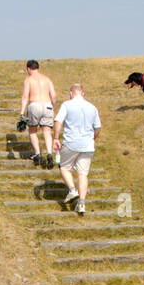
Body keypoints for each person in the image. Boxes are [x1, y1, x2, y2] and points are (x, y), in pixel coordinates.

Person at [52, 83, 101, 213]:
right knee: (83, 174)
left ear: (71, 93)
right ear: (83, 93)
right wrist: (92, 139)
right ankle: (82, 203)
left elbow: (58, 121)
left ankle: (73, 190)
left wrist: (56, 138)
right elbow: (97, 128)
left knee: (64, 167)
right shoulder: (92, 107)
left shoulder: (67, 105)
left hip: (71, 143)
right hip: (88, 145)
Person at [18, 60, 57, 168]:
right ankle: (49, 153)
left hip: (34, 104)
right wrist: (52, 107)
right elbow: (53, 95)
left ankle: (37, 154)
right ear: (38, 68)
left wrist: (21, 113)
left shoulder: (29, 80)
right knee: (47, 130)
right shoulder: (47, 79)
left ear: (28, 69)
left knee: (32, 130)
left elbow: (25, 97)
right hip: (47, 104)